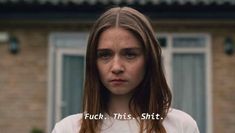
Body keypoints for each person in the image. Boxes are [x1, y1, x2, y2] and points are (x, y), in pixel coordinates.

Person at [52, 7, 200, 133]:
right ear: (93, 62)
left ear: (149, 59)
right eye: (105, 55)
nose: (116, 67)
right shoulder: (68, 129)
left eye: (130, 54)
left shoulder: (181, 127)